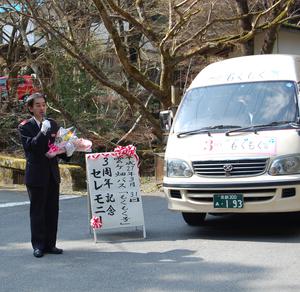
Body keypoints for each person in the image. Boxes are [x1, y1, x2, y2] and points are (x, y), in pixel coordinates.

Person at [18, 92, 75, 258]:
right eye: (38, 105)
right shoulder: (25, 126)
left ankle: (51, 244)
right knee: (37, 211)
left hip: (52, 173)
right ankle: (38, 245)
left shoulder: (53, 123)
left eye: (43, 104)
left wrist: (69, 148)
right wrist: (42, 132)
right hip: (36, 175)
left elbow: (58, 148)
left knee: (52, 210)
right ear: (30, 108)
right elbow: (32, 148)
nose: (42, 108)